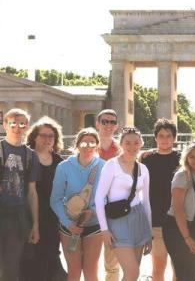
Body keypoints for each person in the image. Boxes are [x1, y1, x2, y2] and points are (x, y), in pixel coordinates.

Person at [95, 127, 152, 281]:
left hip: (139, 218)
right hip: (118, 221)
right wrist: (104, 229)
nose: (132, 147)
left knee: (134, 273)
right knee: (132, 272)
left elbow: (146, 201)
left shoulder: (143, 169)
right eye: (127, 143)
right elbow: (99, 197)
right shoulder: (111, 165)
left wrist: (149, 232)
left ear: (141, 144)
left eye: (136, 143)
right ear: (121, 144)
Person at [50, 127, 105, 281]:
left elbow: (107, 197)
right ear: (77, 144)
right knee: (74, 271)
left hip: (94, 225)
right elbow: (55, 199)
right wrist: (68, 223)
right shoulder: (64, 167)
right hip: (69, 225)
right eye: (84, 143)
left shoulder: (104, 166)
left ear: (97, 145)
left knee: (91, 271)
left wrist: (92, 212)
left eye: (92, 143)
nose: (88, 147)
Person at [20, 117, 67, 281]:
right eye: (43, 135)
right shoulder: (26, 158)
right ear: (34, 137)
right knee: (32, 257)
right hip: (29, 215)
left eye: (51, 136)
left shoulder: (59, 161)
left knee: (51, 254)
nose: (48, 139)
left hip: (53, 218)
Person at [163, 143, 195, 281]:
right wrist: (188, 239)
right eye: (192, 156)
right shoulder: (182, 176)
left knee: (194, 275)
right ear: (186, 158)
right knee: (184, 275)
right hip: (177, 228)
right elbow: (178, 209)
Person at [0, 108, 41, 281]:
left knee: (11, 266)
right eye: (13, 123)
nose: (17, 127)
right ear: (5, 125)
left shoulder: (30, 155)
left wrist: (35, 225)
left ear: (27, 126)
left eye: (22, 123)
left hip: (17, 216)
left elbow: (32, 192)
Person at [139, 118, 180, 281]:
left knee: (178, 267)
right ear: (155, 138)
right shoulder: (146, 159)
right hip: (156, 220)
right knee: (158, 266)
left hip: (178, 221)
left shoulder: (182, 159)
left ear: (174, 138)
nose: (164, 139)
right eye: (161, 136)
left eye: (168, 136)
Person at [95, 109, 121, 281]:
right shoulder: (87, 146)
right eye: (105, 121)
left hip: (111, 211)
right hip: (89, 211)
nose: (108, 125)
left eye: (112, 122)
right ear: (97, 124)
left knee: (112, 263)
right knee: (89, 261)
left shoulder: (121, 151)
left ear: (117, 126)